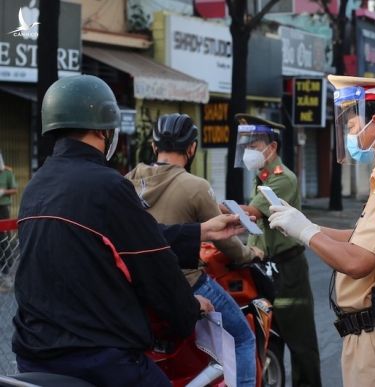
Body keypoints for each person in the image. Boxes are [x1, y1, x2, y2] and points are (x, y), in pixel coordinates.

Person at [13, 75, 245, 387]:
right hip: (97, 357)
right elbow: (154, 265)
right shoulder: (107, 185)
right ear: (103, 130)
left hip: (32, 354)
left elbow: (126, 238)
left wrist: (200, 231)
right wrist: (189, 309)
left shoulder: (36, 186)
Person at [267, 75, 375, 386]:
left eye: (352, 126)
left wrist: (307, 232)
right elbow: (362, 237)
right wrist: (305, 225)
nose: (350, 135)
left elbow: (358, 260)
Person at [126, 112, 263, 387]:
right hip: (186, 284)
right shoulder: (196, 186)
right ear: (192, 148)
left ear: (154, 147)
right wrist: (251, 254)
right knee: (243, 337)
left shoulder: (128, 181)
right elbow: (224, 238)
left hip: (138, 286)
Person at [233, 113, 322, 387]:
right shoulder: (261, 176)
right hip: (264, 268)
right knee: (270, 335)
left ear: (271, 148)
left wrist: (208, 207)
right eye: (246, 145)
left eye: (254, 144)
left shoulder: (284, 179)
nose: (248, 151)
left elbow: (252, 213)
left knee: (300, 340)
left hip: (287, 269)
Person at [0, 150, 17, 286]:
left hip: (3, 207)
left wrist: (4, 192)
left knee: (4, 237)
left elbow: (15, 190)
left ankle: (7, 271)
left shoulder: (7, 173)